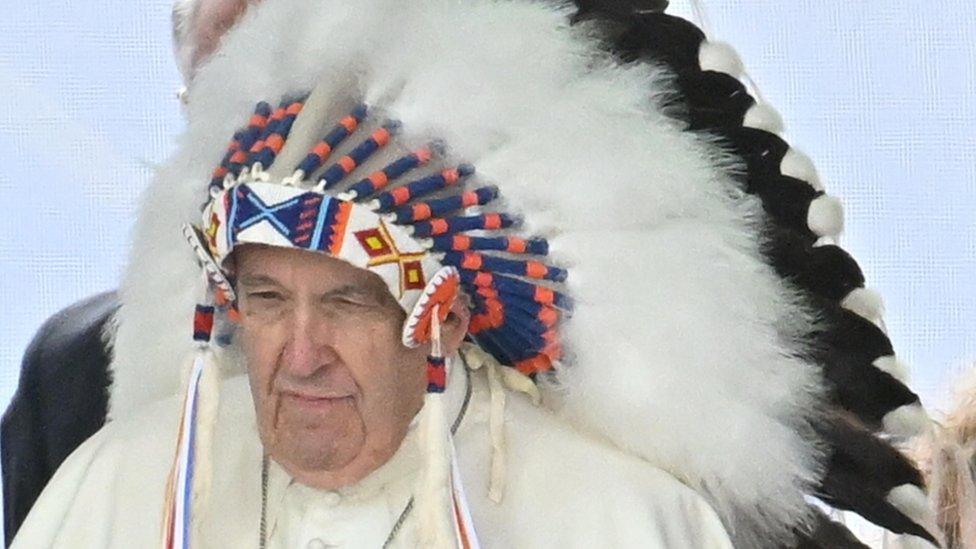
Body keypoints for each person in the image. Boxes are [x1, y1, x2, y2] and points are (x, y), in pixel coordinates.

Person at [7, 0, 941, 547]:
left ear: (447, 316)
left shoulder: (616, 513)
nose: (300, 353)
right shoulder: (115, 488)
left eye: (348, 300)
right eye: (264, 298)